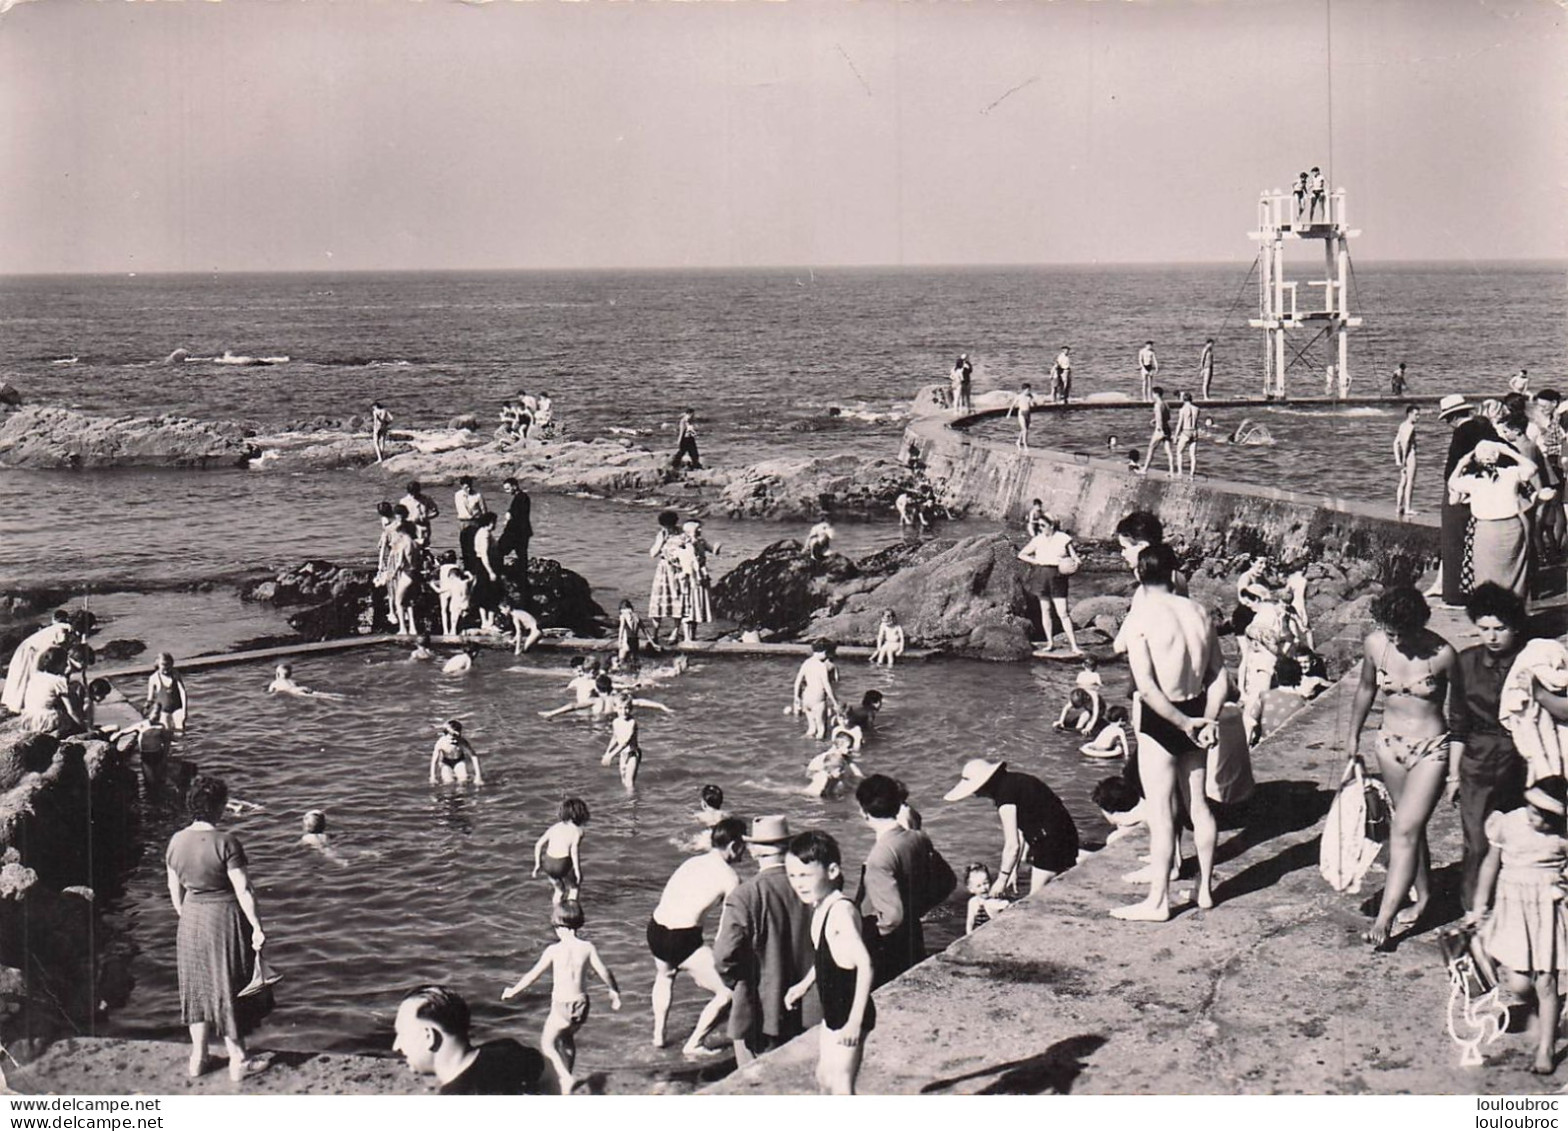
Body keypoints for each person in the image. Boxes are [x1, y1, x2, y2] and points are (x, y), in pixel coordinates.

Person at [1111, 543, 1229, 922]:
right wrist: (1205, 720)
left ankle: (1158, 902)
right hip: (1197, 709)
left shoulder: (1143, 616)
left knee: (1162, 814)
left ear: (1139, 576)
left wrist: (1182, 723)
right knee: (1200, 803)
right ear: (1175, 572)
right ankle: (1206, 890)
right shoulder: (1199, 612)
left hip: (1163, 718)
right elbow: (1220, 677)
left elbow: (1146, 688)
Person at [1346, 586, 1457, 949]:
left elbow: (1462, 712)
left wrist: (1456, 769)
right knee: (1410, 827)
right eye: (1388, 631)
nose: (1393, 640)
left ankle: (1386, 919)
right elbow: (1365, 689)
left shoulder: (1442, 655)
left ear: (1417, 625)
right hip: (1388, 745)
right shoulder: (1375, 645)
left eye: (1400, 633)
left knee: (1405, 829)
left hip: (1431, 749)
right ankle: (1424, 898)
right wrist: (1353, 737)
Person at [165, 775, 272, 1082]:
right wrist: (257, 928)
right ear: (218, 806)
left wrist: (187, 916)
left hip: (191, 919)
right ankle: (239, 1060)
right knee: (229, 986)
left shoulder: (175, 841)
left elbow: (175, 890)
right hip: (224, 918)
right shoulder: (226, 842)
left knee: (196, 989)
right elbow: (245, 890)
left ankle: (198, 1058)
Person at [1468, 776, 1568, 1075]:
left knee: (1546, 981)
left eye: (1548, 819)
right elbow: (1489, 864)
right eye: (1534, 813)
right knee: (1519, 984)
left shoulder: (1562, 836)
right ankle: (1539, 1007)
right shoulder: (1509, 824)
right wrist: (1479, 906)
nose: (1539, 822)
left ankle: (1546, 1047)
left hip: (1547, 912)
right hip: (1512, 910)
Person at [1447, 583, 1529, 914]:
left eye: (1500, 628)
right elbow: (1457, 724)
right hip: (1477, 761)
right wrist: (1453, 774)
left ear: (1515, 627)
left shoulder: (1530, 659)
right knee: (1477, 841)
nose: (1492, 636)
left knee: (1526, 837)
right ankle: (1474, 910)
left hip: (1523, 757)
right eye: (1484, 628)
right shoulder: (1464, 663)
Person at [711, 816, 816, 1065]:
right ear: (788, 847)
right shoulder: (811, 886)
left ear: (754, 849)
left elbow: (723, 956)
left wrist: (737, 982)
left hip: (761, 1009)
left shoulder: (745, 895)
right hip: (810, 1003)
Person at [782, 830, 877, 1096]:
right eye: (792, 876)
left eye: (805, 875)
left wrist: (854, 1022)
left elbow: (865, 965)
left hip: (850, 1012)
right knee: (824, 1078)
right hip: (833, 1011)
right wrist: (804, 985)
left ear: (832, 870)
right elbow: (828, 956)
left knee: (841, 1086)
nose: (798, 883)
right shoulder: (821, 906)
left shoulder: (841, 913)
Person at [647, 817, 748, 1056]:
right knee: (727, 994)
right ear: (734, 846)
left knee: (665, 975)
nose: (746, 850)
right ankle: (694, 1044)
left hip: (655, 929)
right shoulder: (730, 877)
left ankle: (658, 1036)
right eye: (744, 844)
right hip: (683, 939)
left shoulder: (691, 862)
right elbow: (728, 927)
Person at [501, 900, 623, 1095]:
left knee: (547, 1043)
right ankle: (568, 1076)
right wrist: (614, 991)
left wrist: (513, 990)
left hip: (561, 1005)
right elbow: (604, 971)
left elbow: (533, 975)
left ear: (559, 927)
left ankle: (565, 1078)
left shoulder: (554, 950)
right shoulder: (587, 947)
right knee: (567, 1039)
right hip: (582, 1004)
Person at [854, 774, 957, 986]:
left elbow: (891, 917)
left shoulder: (879, 857)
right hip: (912, 932)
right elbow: (948, 881)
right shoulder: (918, 837)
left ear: (864, 812)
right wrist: (917, 909)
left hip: (887, 943)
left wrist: (870, 935)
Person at [943, 759, 1079, 897]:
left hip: (1052, 844)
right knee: (1038, 867)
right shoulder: (1014, 781)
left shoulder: (1005, 798)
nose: (975, 794)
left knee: (1034, 898)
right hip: (1067, 836)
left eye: (975, 789)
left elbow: (1012, 845)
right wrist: (1013, 871)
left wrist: (1001, 880)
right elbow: (1021, 832)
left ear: (985, 784)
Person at [394, 985, 554, 1095]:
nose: (396, 1046)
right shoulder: (508, 1050)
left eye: (402, 1034)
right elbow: (550, 1073)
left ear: (428, 1036)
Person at [1449, 439, 1539, 598]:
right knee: (1514, 574)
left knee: (1485, 574)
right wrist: (1509, 451)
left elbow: (1452, 482)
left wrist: (1461, 463)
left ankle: (1490, 615)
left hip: (1486, 530)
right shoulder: (1511, 472)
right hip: (1512, 527)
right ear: (1497, 456)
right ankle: (1513, 614)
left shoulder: (1472, 480)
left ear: (1477, 458)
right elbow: (1533, 468)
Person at [1436, 394, 1500, 605]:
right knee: (1475, 541)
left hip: (1461, 489)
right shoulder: (1485, 427)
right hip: (1485, 488)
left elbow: (1452, 468)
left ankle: (1454, 594)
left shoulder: (1462, 432)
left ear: (1452, 417)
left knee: (1453, 541)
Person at [1016, 511, 1081, 655]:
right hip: (1041, 575)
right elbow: (1021, 554)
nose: (1041, 528)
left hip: (1058, 575)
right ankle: (1050, 643)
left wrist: (1075, 564)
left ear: (1051, 525)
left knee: (1063, 612)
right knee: (1045, 610)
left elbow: (1075, 557)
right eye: (1039, 526)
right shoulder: (1038, 540)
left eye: (1043, 525)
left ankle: (1074, 646)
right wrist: (1036, 561)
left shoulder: (1064, 538)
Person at [1, 609, 73, 716]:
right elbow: (60, 647)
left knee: (23, 678)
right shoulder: (63, 630)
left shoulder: (56, 628)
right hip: (30, 652)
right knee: (24, 677)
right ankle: (17, 706)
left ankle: (18, 704)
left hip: (32, 651)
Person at [533, 798, 589, 904]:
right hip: (562, 863)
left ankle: (556, 913)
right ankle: (571, 911)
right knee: (574, 888)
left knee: (559, 890)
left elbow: (538, 845)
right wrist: (577, 870)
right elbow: (574, 851)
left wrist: (537, 864)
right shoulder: (578, 831)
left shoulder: (554, 827)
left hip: (548, 864)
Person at [792, 640, 840, 740]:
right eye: (827, 653)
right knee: (821, 729)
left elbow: (798, 682)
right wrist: (835, 702)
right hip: (818, 700)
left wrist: (796, 697)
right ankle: (819, 748)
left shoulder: (806, 663)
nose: (827, 657)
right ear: (824, 652)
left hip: (806, 699)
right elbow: (827, 686)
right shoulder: (821, 666)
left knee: (811, 729)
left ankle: (805, 746)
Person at [495, 478, 533, 596]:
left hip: (515, 532)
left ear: (514, 486)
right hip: (521, 532)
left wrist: (508, 517)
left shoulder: (521, 498)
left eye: (508, 488)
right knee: (522, 556)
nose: (506, 491)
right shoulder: (522, 497)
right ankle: (523, 581)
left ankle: (499, 576)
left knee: (498, 551)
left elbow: (516, 516)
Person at [432, 551, 476, 638]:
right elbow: (464, 577)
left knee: (444, 611)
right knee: (455, 611)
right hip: (455, 589)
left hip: (445, 589)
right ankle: (455, 628)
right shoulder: (457, 567)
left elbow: (435, 574)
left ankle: (445, 630)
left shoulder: (442, 567)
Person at [805, 733, 863, 799]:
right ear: (838, 747)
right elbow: (811, 775)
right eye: (848, 747)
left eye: (851, 747)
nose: (851, 749)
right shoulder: (827, 758)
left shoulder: (844, 757)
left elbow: (859, 776)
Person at [429, 719, 482, 786]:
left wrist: (478, 776)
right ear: (445, 734)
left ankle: (461, 795)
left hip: (459, 760)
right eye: (452, 738)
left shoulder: (462, 741)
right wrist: (432, 777)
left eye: (457, 737)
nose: (454, 741)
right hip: (445, 762)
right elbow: (434, 761)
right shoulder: (440, 743)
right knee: (448, 781)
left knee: (463, 780)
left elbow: (473, 756)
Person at [144, 652, 189, 731]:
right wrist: (147, 708)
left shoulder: (175, 674)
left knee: (180, 729)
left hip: (177, 708)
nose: (166, 668)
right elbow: (150, 698)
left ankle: (182, 743)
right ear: (158, 664)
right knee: (166, 731)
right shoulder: (154, 678)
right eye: (163, 665)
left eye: (168, 665)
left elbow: (183, 692)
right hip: (164, 710)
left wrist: (184, 710)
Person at [963, 863, 1013, 933]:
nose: (984, 888)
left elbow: (1004, 905)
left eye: (985, 883)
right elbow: (970, 922)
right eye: (978, 886)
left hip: (994, 931)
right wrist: (969, 934)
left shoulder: (993, 900)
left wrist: (1005, 904)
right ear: (971, 889)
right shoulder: (972, 902)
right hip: (979, 932)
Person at [1139, 387, 1175, 475]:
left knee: (1151, 448)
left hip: (1159, 430)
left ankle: (1145, 469)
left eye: (1153, 394)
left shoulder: (1157, 405)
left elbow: (1159, 417)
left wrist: (1159, 428)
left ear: (1156, 394)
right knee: (1168, 451)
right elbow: (1168, 417)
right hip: (1167, 428)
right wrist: (1154, 420)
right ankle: (1172, 471)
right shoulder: (1166, 404)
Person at [1395, 404, 1420, 518]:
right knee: (1410, 481)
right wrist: (1404, 460)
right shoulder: (1410, 427)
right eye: (1416, 414)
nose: (1418, 417)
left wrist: (1398, 459)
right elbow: (1405, 444)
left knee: (1402, 482)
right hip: (1410, 456)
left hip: (1403, 456)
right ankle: (1408, 508)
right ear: (1409, 414)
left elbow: (1396, 443)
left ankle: (1398, 506)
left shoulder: (1402, 426)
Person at [266, 663, 344, 700]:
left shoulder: (275, 683)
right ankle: (339, 697)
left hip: (294, 691)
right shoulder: (291, 681)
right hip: (300, 688)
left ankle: (337, 698)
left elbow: (270, 692)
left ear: (277, 674)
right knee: (321, 694)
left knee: (319, 696)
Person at [399, 481, 439, 548]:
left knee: (424, 547)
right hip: (409, 527)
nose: (414, 495)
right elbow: (400, 515)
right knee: (411, 547)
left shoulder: (426, 499)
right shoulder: (404, 501)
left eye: (416, 492)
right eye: (412, 493)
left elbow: (436, 512)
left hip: (423, 526)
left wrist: (427, 517)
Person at [1173, 391, 1200, 477]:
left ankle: (1180, 472)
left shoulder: (1182, 410)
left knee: (1179, 452)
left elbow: (1179, 423)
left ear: (1184, 400)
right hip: (1194, 432)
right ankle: (1192, 473)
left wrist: (1176, 436)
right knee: (1193, 455)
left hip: (1186, 431)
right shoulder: (1197, 409)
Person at [1004, 383, 1036, 451]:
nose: (1029, 391)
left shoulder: (1030, 396)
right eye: (1028, 390)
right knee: (1025, 430)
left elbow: (1032, 404)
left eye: (1029, 390)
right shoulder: (1019, 396)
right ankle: (1025, 445)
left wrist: (1032, 402)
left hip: (1028, 413)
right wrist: (1008, 414)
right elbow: (1012, 405)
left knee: (1024, 429)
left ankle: (1018, 441)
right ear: (1024, 390)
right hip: (1021, 413)